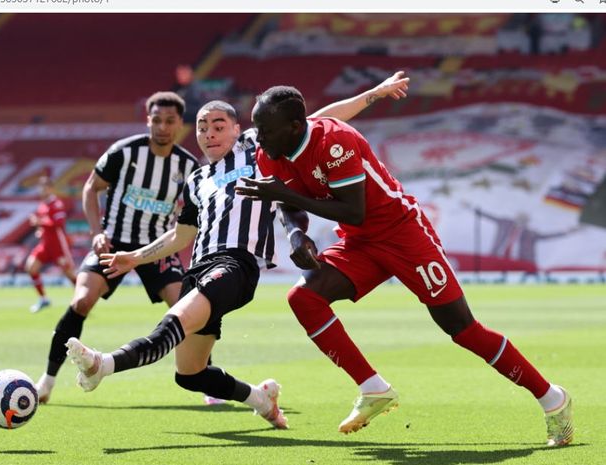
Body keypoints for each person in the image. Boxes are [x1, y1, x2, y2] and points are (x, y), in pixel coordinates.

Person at [234, 85, 574, 447]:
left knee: (461, 328)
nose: (259, 137)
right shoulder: (270, 149)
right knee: (304, 298)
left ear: (295, 125)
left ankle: (554, 400)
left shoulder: (336, 142)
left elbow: (354, 209)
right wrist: (297, 235)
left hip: (403, 234)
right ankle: (373, 388)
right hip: (360, 242)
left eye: (266, 129)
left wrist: (284, 196)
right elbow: (288, 203)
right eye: (258, 127)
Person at [65, 100, 288, 429]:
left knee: (174, 320)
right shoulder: (197, 180)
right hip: (200, 269)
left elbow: (315, 120)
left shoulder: (254, 147)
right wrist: (135, 257)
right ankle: (261, 399)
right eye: (202, 127)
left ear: (236, 129)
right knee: (190, 374)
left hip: (236, 265)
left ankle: (103, 364)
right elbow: (180, 237)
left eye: (218, 126)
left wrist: (373, 94)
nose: (209, 133)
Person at [34, 92, 201, 404]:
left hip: (155, 248)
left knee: (188, 311)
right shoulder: (124, 152)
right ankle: (48, 380)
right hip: (115, 241)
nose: (162, 127)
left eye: (169, 121)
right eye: (157, 120)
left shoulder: (188, 165)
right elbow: (91, 188)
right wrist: (96, 232)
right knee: (81, 301)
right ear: (147, 120)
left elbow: (198, 209)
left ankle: (205, 378)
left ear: (179, 124)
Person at [26, 175, 76, 313]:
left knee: (69, 273)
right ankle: (43, 299)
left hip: (58, 246)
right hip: (45, 245)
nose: (41, 190)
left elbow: (59, 224)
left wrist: (39, 222)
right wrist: (40, 230)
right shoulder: (42, 205)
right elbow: (45, 225)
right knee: (31, 267)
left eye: (44, 187)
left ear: (51, 188)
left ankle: (83, 299)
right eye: (40, 187)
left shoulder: (56, 204)